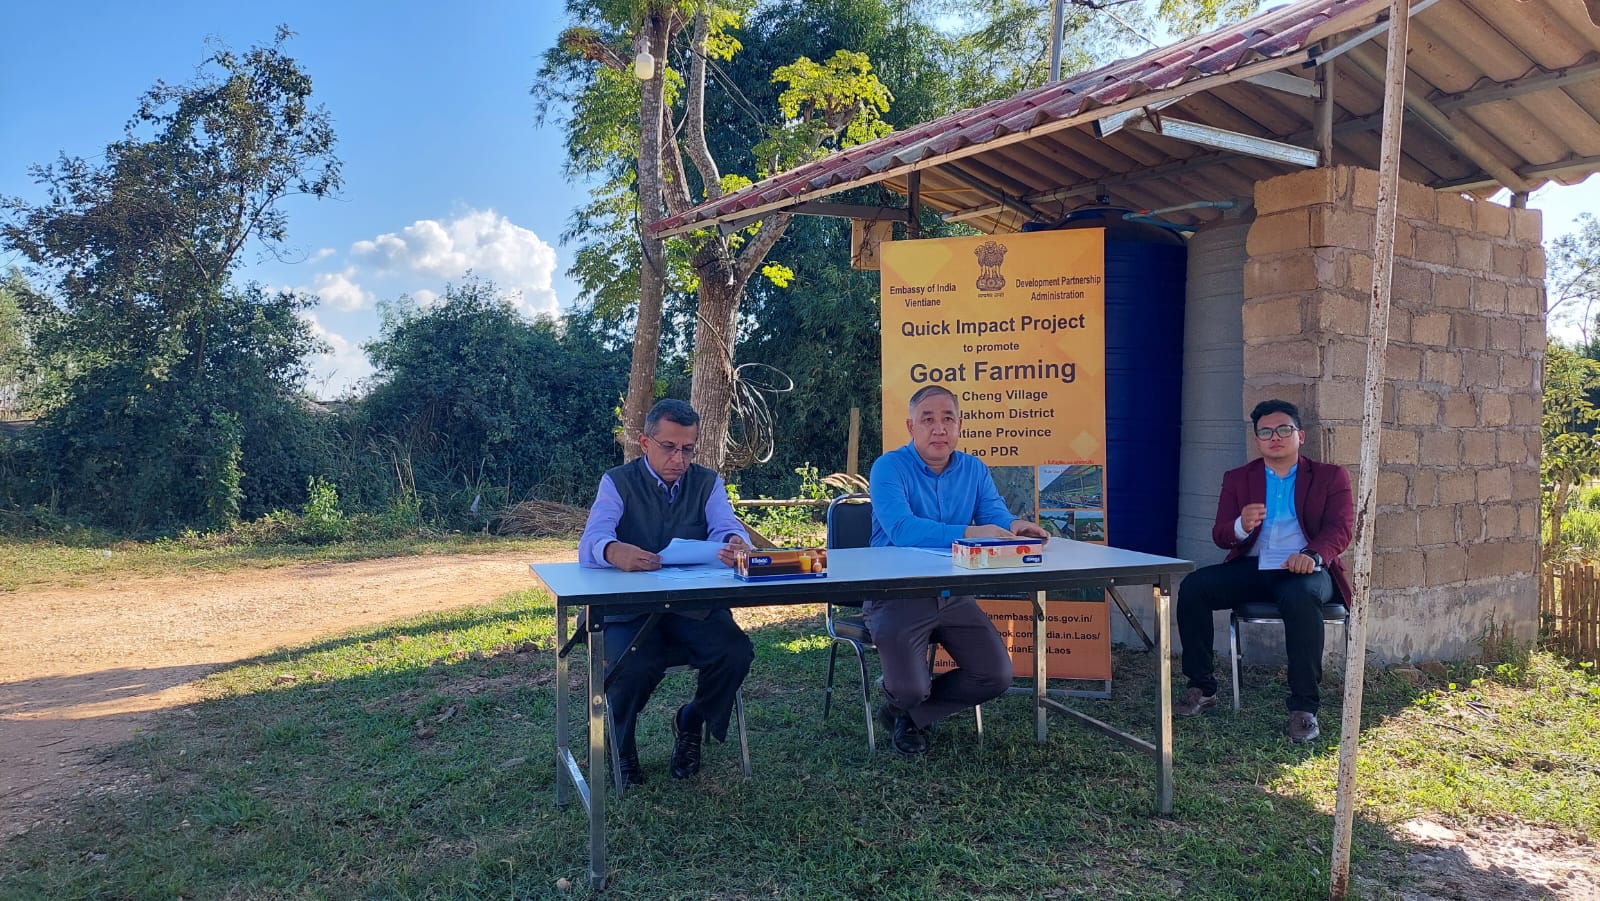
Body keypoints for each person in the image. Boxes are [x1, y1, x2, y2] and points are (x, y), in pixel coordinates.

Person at [577, 398, 754, 784]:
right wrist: (612, 550)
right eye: (669, 447)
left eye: (688, 449)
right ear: (644, 442)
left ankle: (691, 720)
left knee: (735, 652)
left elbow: (726, 525)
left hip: (691, 607)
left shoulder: (707, 482)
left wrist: (736, 541)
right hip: (630, 610)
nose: (680, 458)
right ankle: (622, 746)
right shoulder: (617, 482)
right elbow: (591, 540)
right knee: (632, 666)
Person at [867, 384, 1049, 755]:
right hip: (896, 594)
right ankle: (900, 697)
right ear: (910, 426)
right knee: (910, 687)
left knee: (997, 675)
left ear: (959, 425)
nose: (939, 428)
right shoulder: (888, 467)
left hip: (952, 594)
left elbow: (993, 513)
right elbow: (902, 530)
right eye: (928, 419)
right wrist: (969, 532)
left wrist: (1015, 527)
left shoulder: (973, 469)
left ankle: (908, 716)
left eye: (947, 419)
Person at [1174, 399, 1354, 742]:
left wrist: (1313, 555)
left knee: (1300, 597)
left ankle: (1303, 708)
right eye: (1266, 432)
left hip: (1305, 571)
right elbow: (1221, 534)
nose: (1276, 437)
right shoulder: (1239, 479)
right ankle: (1202, 687)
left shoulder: (1330, 476)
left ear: (1299, 435)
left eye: (1284, 429)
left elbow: (1340, 529)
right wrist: (1241, 526)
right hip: (1254, 567)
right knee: (1195, 587)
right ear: (1257, 440)